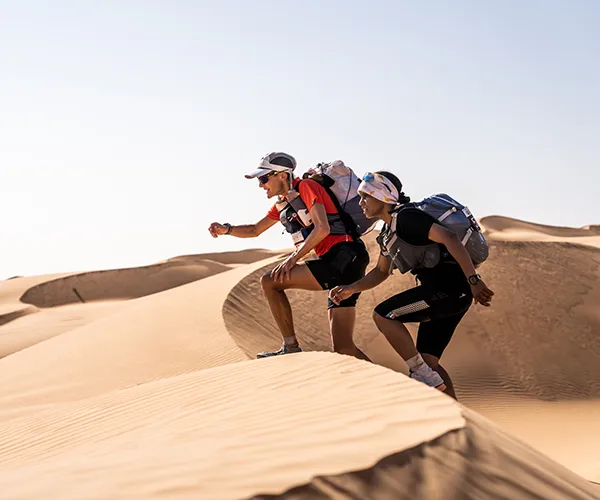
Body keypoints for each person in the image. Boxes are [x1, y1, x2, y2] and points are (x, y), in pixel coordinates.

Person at [329, 171, 494, 399]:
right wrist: (351, 289)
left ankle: (420, 373)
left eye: (365, 196)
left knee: (384, 315)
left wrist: (473, 280)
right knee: (430, 362)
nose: (361, 203)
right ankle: (456, 413)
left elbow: (450, 238)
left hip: (449, 290)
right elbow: (380, 272)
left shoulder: (407, 218)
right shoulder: (388, 234)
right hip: (451, 294)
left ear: (382, 196)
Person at [209, 152, 371, 360]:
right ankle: (392, 388)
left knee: (270, 282)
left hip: (343, 257)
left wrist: (292, 259)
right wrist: (227, 230)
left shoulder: (306, 187)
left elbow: (322, 228)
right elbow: (254, 230)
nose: (261, 185)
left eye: (264, 178)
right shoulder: (285, 204)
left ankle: (290, 346)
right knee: (344, 347)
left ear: (282, 176)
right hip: (345, 260)